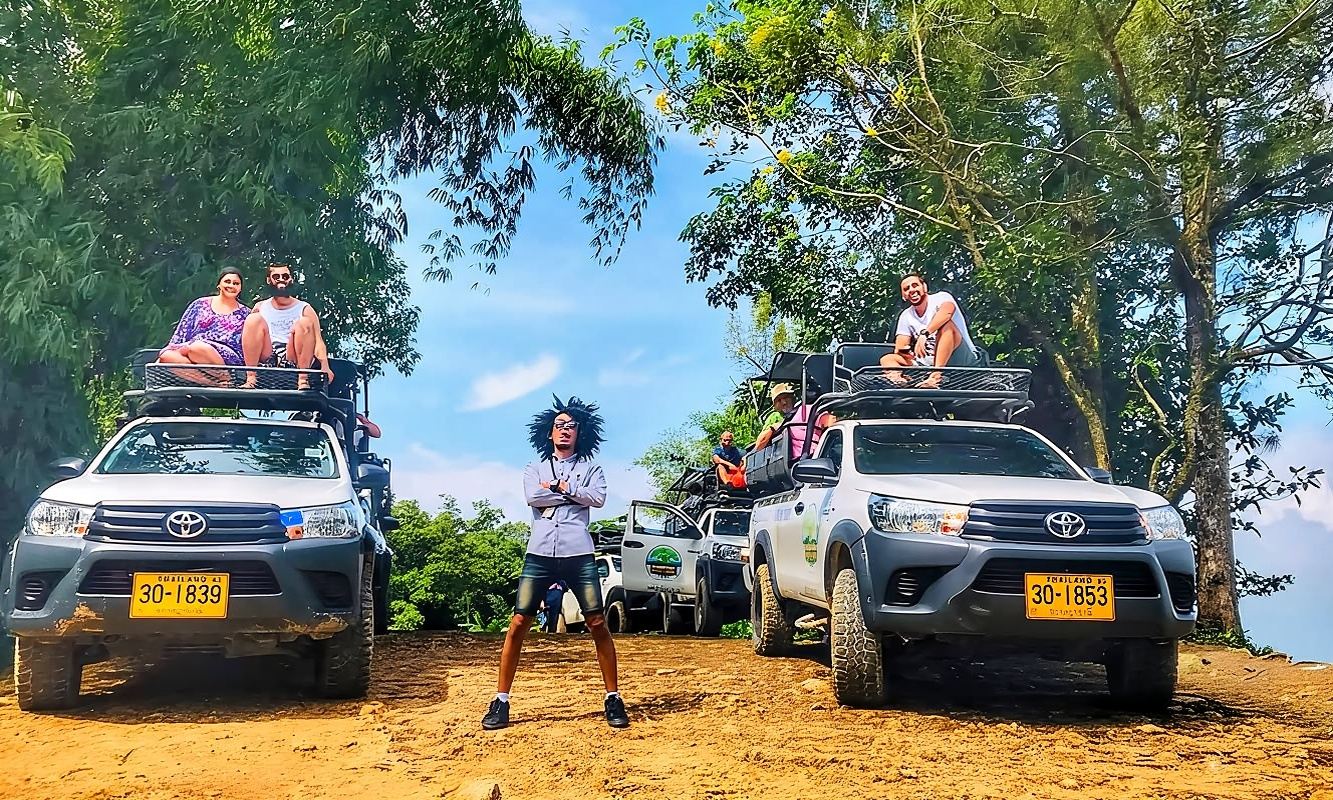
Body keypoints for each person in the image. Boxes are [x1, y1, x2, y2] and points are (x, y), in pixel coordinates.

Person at [482, 396, 628, 731]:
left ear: (580, 432)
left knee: (595, 621)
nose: (564, 431)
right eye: (559, 426)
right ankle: (501, 700)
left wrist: (562, 487)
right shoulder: (533, 468)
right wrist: (571, 493)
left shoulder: (593, 468)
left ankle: (613, 697)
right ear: (549, 433)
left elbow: (598, 498)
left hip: (579, 553)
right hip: (540, 552)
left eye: (571, 426)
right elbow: (534, 496)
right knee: (519, 621)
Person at [241, 262, 334, 389]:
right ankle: (251, 378)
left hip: (294, 357)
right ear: (269, 280)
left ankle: (303, 380)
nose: (281, 280)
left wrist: (325, 366)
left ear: (291, 279)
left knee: (305, 323)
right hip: (268, 357)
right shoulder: (260, 307)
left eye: (285, 276)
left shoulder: (304, 308)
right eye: (276, 277)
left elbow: (318, 341)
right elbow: (250, 338)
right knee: (253, 319)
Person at [879, 273, 980, 388]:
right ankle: (900, 382)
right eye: (907, 289)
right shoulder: (905, 316)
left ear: (924, 287)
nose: (911, 290)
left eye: (915, 285)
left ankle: (936, 376)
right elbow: (900, 347)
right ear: (904, 296)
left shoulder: (941, 297)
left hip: (959, 357)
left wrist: (924, 334)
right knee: (888, 359)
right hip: (928, 363)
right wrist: (907, 353)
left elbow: (947, 313)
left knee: (947, 326)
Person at [156, 267, 252, 384]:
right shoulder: (199, 304)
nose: (231, 285)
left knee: (198, 347)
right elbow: (182, 332)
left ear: (240, 288)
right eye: (227, 281)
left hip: (226, 359)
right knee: (167, 357)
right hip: (192, 351)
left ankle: (226, 379)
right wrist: (172, 350)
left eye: (236, 283)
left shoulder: (246, 314)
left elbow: (248, 346)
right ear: (219, 284)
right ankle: (213, 384)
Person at [753, 383, 797, 451]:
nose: (784, 402)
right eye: (779, 400)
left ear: (792, 398)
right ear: (775, 406)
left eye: (786, 397)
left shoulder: (801, 411)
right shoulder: (774, 416)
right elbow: (759, 445)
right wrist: (773, 427)